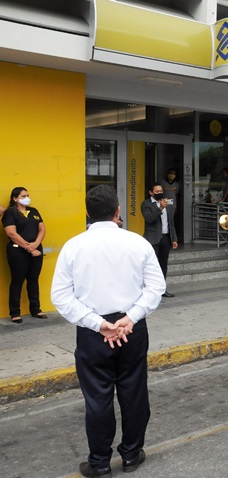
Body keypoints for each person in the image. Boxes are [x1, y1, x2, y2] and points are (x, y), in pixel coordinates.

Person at [51, 185, 165, 477]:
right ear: (117, 211)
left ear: (87, 213)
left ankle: (99, 461)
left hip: (93, 333)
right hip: (132, 330)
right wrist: (130, 318)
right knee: (134, 391)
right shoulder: (138, 243)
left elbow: (61, 297)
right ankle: (131, 454)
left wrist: (99, 324)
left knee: (98, 397)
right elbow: (156, 288)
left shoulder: (73, 246)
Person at [3, 187, 46, 324]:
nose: (27, 197)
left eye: (28, 195)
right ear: (15, 198)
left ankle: (36, 309)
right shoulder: (10, 212)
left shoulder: (33, 211)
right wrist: (28, 247)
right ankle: (15, 312)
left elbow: (42, 229)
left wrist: (35, 244)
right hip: (18, 251)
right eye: (23, 196)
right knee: (17, 280)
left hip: (36, 250)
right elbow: (11, 233)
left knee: (33, 279)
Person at [141, 183, 177, 298]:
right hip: (152, 239)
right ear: (151, 192)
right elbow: (149, 219)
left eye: (161, 191)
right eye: (157, 191)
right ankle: (150, 290)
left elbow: (171, 222)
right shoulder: (146, 204)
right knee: (151, 266)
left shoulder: (167, 203)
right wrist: (160, 208)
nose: (160, 193)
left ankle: (162, 289)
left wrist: (174, 238)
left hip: (166, 238)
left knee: (163, 265)